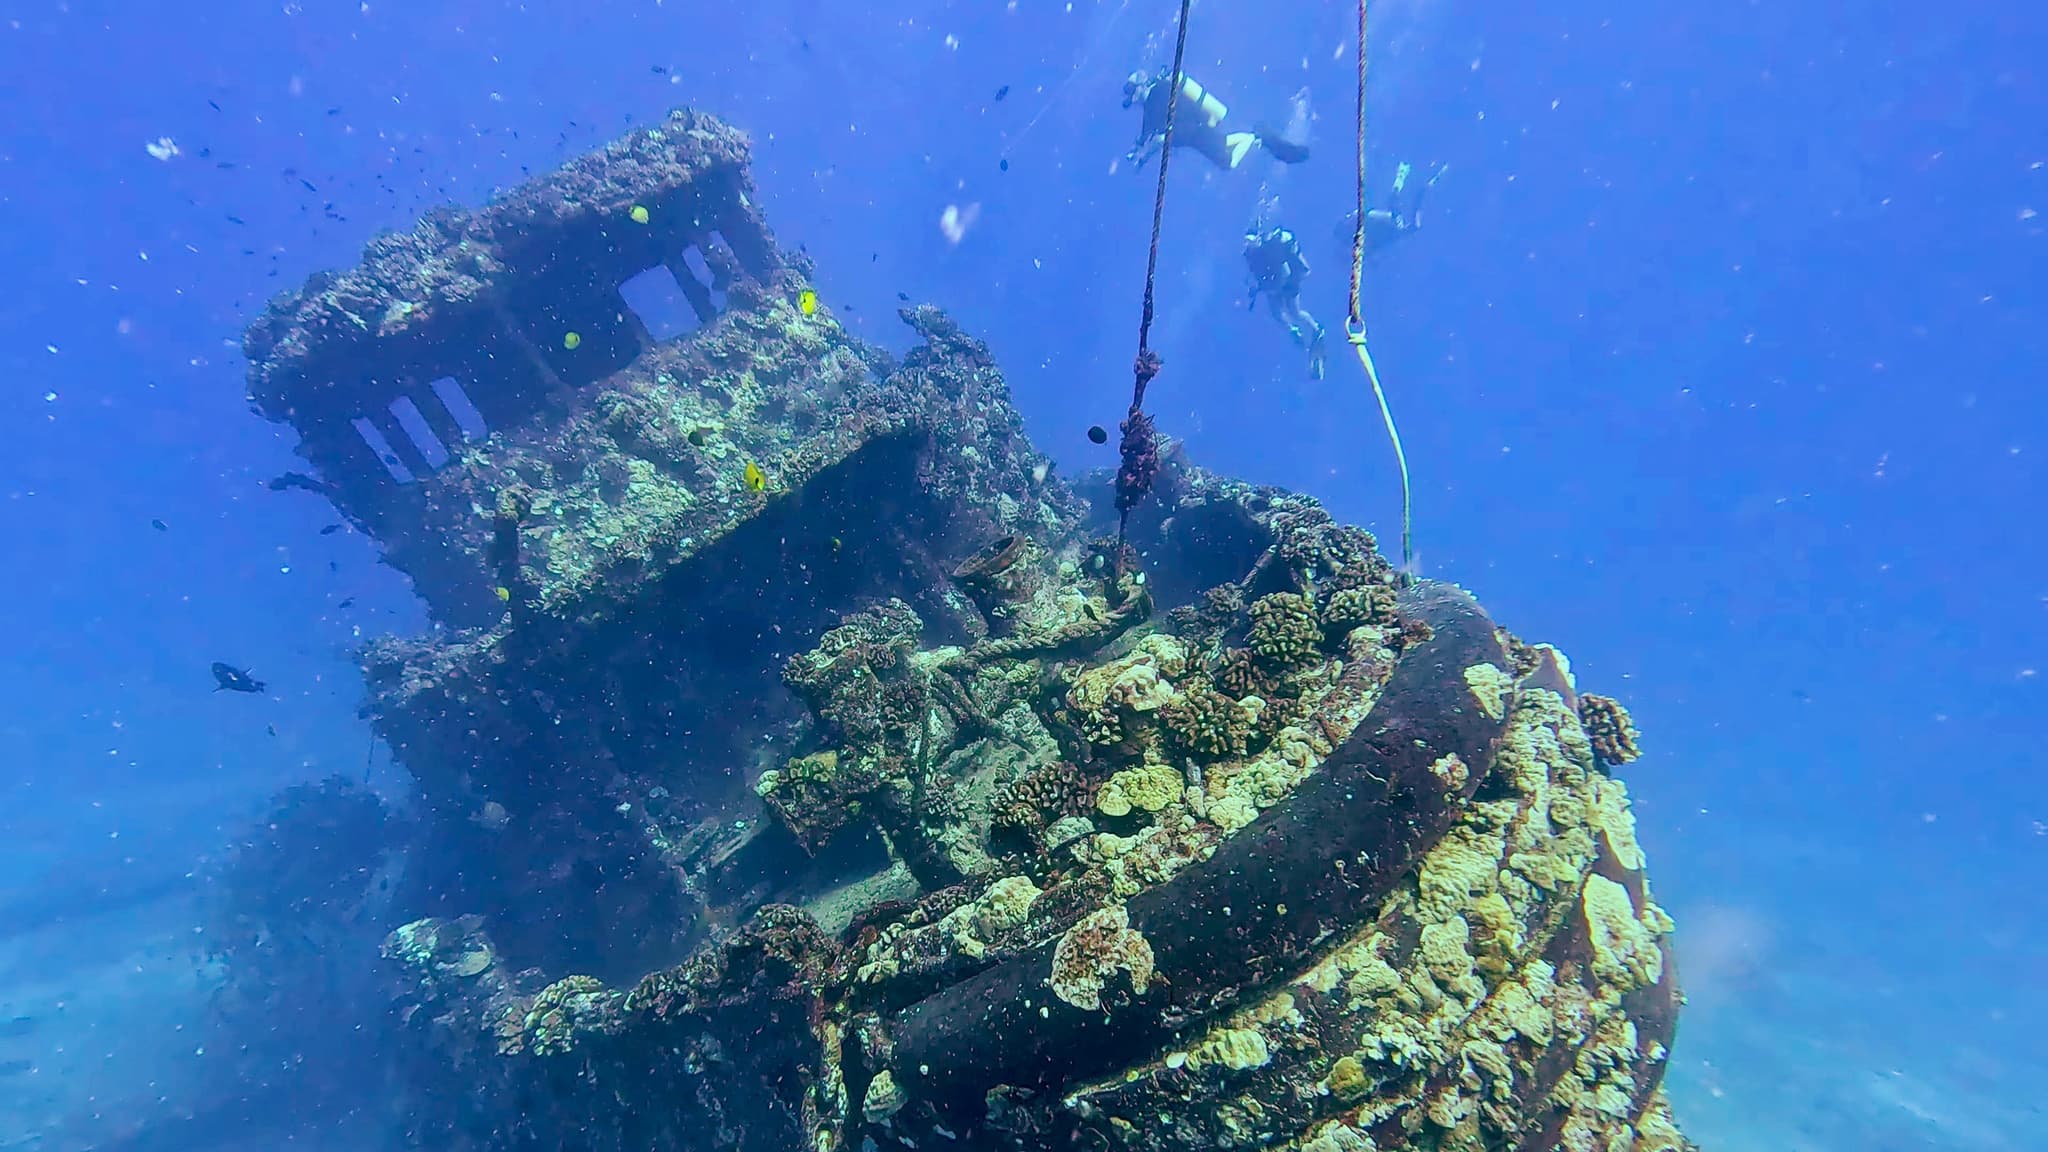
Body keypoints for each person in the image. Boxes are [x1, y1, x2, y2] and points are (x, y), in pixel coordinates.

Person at [1121, 69, 1312, 173]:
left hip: (1196, 131)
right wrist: (1139, 152)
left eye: (1132, 93)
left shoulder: (1160, 90)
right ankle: (1257, 137)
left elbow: (1157, 135)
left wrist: (1144, 154)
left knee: (1228, 162)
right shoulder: (1150, 108)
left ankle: (1255, 137)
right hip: (1195, 132)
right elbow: (1147, 133)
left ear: (1140, 86)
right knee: (1224, 143)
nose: (1134, 100)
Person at [1244, 224, 1327, 380]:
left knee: (1295, 312)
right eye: (1247, 242)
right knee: (1277, 314)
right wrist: (1258, 287)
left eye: (1251, 241)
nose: (1248, 245)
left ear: (1258, 239)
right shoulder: (1250, 254)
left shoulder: (1270, 249)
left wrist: (1273, 288)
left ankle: (1315, 329)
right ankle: (1294, 329)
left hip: (1286, 284)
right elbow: (1254, 274)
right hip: (1272, 285)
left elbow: (1285, 271)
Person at [1337, 161, 1448, 257]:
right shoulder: (1359, 225)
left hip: (1391, 227)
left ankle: (1406, 175)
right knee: (1396, 198)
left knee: (1397, 198)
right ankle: (1405, 174)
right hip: (1391, 226)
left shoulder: (1360, 226)